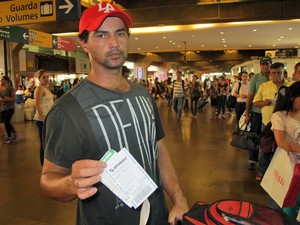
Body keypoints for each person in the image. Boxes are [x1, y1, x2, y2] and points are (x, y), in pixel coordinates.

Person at [40, 2, 188, 225]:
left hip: (158, 216)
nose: (113, 43)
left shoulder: (143, 95)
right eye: (101, 35)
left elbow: (157, 148)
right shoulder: (67, 110)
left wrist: (179, 198)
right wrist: (71, 183)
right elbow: (47, 179)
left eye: (120, 33)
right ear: (84, 43)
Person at [253, 62, 287, 180]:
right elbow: (256, 103)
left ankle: (278, 174)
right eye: (273, 73)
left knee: (282, 150)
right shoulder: (264, 86)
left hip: (284, 125)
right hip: (267, 123)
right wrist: (265, 103)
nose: (276, 75)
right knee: (265, 149)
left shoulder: (290, 87)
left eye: (279, 73)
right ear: (270, 74)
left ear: (284, 73)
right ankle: (263, 172)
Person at [271, 81, 300, 218]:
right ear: (292, 97)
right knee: (289, 205)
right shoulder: (280, 116)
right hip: (292, 167)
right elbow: (281, 141)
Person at [245, 57, 271, 170]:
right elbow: (250, 96)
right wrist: (247, 114)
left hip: (270, 114)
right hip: (256, 113)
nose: (265, 66)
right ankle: (252, 158)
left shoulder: (274, 77)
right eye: (263, 64)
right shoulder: (256, 78)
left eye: (267, 64)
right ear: (260, 66)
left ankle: (265, 161)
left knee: (267, 137)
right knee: (254, 135)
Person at [33, 69, 54, 166]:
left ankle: (48, 163)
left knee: (48, 143)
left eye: (47, 77)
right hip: (42, 120)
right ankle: (44, 165)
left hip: (48, 119)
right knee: (44, 143)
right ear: (39, 79)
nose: (46, 79)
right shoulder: (39, 88)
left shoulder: (47, 88)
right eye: (44, 77)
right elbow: (37, 104)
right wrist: (44, 118)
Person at [0, 76, 17, 144]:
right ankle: (14, 133)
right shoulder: (1, 89)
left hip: (10, 107)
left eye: (2, 79)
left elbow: (13, 98)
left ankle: (10, 137)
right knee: (6, 122)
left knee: (6, 121)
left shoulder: (10, 88)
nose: (1, 81)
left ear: (6, 80)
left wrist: (5, 99)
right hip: (3, 108)